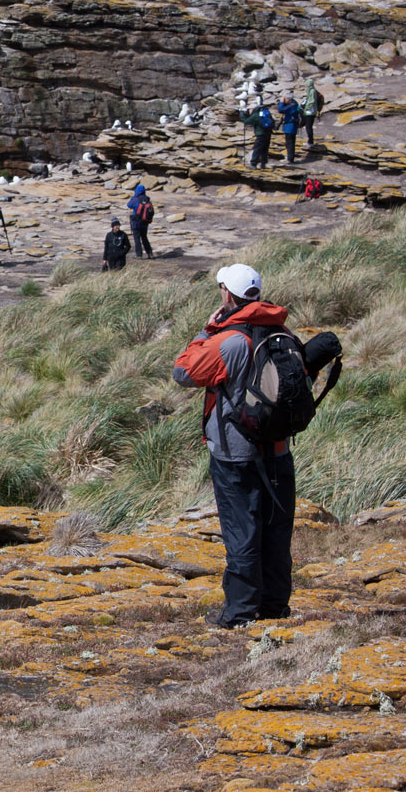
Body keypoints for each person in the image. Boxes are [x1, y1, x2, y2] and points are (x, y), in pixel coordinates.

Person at [171, 263, 297, 629]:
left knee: (243, 531)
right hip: (278, 451)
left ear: (228, 294)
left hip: (236, 455)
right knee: (275, 531)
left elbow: (184, 372)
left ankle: (239, 613)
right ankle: (274, 608)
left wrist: (205, 331)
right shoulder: (282, 332)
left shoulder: (230, 341)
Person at [241, 102, 274, 169]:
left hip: (261, 134)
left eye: (249, 109)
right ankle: (263, 163)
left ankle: (253, 164)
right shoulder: (264, 112)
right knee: (264, 149)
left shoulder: (255, 115)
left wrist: (241, 115)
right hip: (268, 133)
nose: (249, 111)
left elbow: (247, 121)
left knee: (257, 149)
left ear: (252, 109)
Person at [126, 183, 155, 259]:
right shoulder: (147, 199)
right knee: (144, 237)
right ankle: (150, 253)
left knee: (137, 239)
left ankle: (139, 255)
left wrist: (134, 197)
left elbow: (129, 205)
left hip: (136, 222)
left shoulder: (135, 199)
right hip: (145, 222)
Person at [277, 94, 301, 163]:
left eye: (285, 99)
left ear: (288, 99)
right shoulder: (293, 104)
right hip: (290, 126)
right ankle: (289, 158)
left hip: (291, 126)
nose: (284, 100)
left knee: (290, 143)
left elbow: (280, 110)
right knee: (289, 143)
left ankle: (290, 159)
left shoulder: (292, 105)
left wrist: (281, 103)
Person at [300, 78, 322, 148]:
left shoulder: (312, 91)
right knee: (307, 126)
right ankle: (309, 141)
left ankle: (310, 142)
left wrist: (306, 108)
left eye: (306, 84)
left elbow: (311, 101)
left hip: (310, 112)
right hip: (308, 111)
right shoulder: (310, 90)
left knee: (308, 127)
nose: (305, 85)